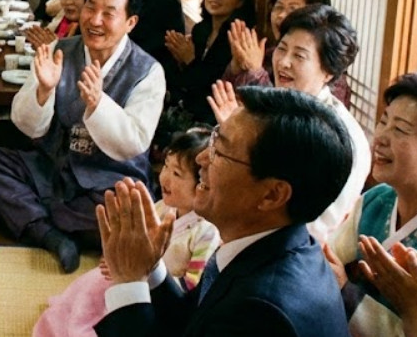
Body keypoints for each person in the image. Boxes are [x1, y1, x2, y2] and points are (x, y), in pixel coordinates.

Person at [95, 86, 355, 337]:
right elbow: (191, 324)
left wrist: (129, 280)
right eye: (214, 140)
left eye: (220, 152)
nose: (201, 161)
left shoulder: (263, 312)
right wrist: (149, 267)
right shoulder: (269, 241)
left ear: (272, 194)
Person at [0, 0, 167, 273]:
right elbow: (27, 125)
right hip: (53, 169)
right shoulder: (60, 50)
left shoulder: (147, 71)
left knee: (130, 209)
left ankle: (28, 219)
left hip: (109, 181)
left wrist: (98, 103)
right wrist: (43, 90)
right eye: (91, 7)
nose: (95, 20)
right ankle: (53, 236)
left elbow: (134, 142)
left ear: (130, 23)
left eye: (108, 13)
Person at [324, 72, 417, 337]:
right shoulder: (376, 200)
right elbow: (329, 263)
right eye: (384, 121)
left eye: (401, 129)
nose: (380, 137)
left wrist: (347, 291)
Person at [33, 128, 220, 337]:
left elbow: (191, 289)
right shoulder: (162, 207)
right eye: (166, 166)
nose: (165, 177)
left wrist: (141, 273)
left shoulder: (207, 231)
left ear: (203, 183)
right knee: (90, 289)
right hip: (128, 278)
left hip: (156, 300)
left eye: (177, 174)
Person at [209, 4, 369, 245]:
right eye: (282, 49)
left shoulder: (343, 138)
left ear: (328, 71)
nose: (283, 62)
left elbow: (320, 226)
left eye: (299, 56)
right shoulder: (276, 107)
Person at [224, 0, 351, 107]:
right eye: (278, 7)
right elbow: (225, 97)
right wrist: (237, 65)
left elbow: (276, 117)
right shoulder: (269, 54)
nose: (281, 15)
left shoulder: (332, 77)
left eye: (292, 9)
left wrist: (255, 71)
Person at [165, 0, 258, 123]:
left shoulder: (239, 37)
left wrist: (190, 60)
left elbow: (216, 86)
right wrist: (180, 61)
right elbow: (189, 81)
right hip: (188, 110)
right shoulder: (201, 29)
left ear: (240, 1)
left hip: (217, 117)